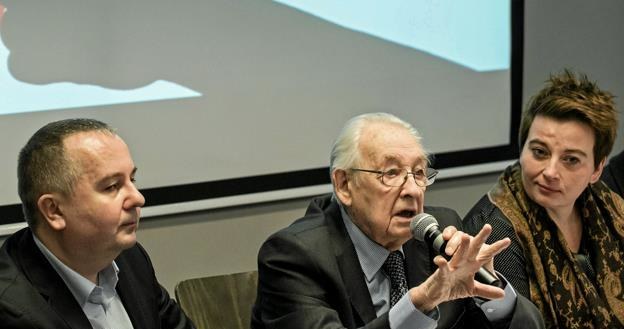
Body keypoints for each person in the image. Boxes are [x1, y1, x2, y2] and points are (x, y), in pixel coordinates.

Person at [251, 112, 544, 329]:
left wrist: (491, 291)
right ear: (343, 185)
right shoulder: (294, 256)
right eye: (390, 173)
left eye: (419, 173)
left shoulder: (439, 232)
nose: (414, 190)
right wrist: (420, 303)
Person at [463, 70, 624, 328]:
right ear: (522, 147)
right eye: (539, 152)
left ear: (596, 169)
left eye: (570, 160)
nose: (550, 172)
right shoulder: (493, 232)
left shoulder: (607, 205)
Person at [0, 119, 195, 328]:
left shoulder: (129, 258)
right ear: (54, 210)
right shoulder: (13, 312)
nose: (138, 198)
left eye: (132, 180)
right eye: (112, 186)